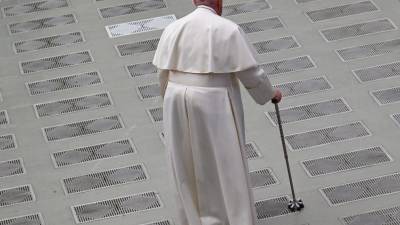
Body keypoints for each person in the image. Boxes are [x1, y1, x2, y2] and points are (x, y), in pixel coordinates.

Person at [153, 0, 282, 224]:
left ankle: (192, 218)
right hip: (212, 99)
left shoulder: (173, 28)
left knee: (185, 161)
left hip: (175, 96)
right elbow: (252, 73)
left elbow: (162, 73)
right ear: (219, 2)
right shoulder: (228, 29)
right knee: (224, 160)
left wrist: (169, 101)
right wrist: (270, 94)